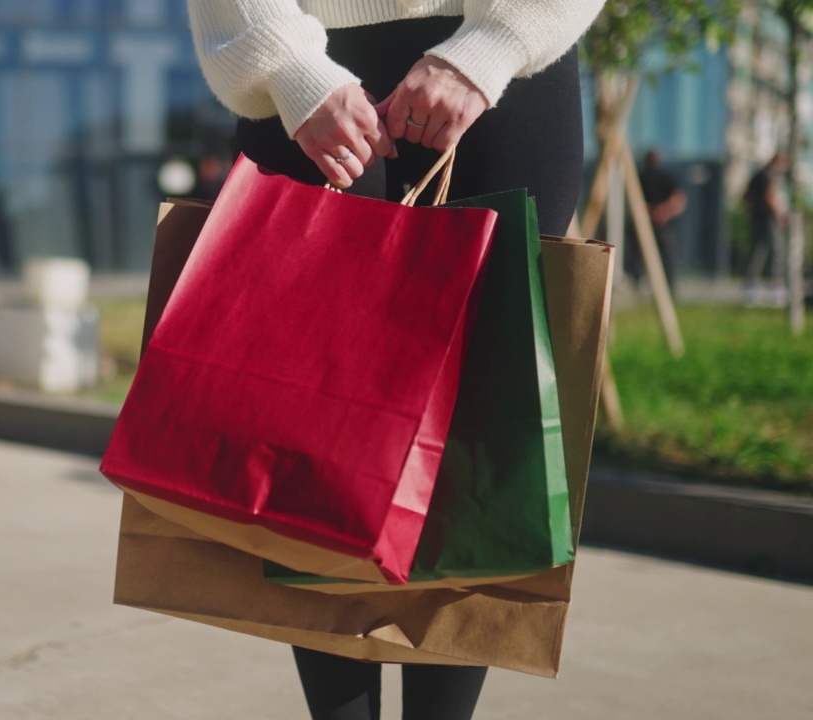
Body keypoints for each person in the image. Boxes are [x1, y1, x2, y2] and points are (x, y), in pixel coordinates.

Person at [187, 2, 604, 719]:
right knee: (309, 441)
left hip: (504, 69)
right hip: (309, 66)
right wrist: (290, 67)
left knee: (479, 442)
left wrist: (493, 45)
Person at [628, 148, 687, 295]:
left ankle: (639, 287)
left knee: (638, 257)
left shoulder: (639, 177)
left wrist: (650, 212)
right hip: (662, 224)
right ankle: (669, 288)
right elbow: (679, 200)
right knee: (666, 257)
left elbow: (632, 199)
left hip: (642, 222)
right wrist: (664, 213)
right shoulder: (667, 177)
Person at [743, 153, 790, 306]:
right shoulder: (768, 177)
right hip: (768, 218)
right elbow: (770, 197)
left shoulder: (757, 176)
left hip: (757, 217)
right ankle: (775, 283)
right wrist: (779, 215)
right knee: (777, 249)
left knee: (759, 250)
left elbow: (745, 198)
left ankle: (752, 283)